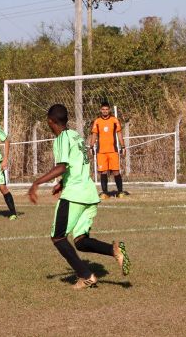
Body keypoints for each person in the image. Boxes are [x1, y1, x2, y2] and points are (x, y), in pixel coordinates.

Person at [28, 104, 130, 290]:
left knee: (57, 238)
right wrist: (61, 182)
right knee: (81, 241)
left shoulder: (61, 138)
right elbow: (76, 164)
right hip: (89, 193)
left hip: (74, 195)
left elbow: (62, 167)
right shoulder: (76, 136)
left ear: (51, 122)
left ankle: (86, 275)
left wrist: (37, 183)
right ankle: (114, 250)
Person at [89, 101, 127, 199]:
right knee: (103, 172)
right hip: (101, 151)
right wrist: (91, 146)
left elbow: (119, 133)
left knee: (116, 171)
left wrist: (123, 147)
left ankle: (120, 192)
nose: (105, 111)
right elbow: (94, 134)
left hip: (113, 151)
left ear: (109, 110)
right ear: (100, 110)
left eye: (106, 109)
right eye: (103, 109)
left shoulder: (114, 120)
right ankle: (105, 193)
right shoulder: (97, 121)